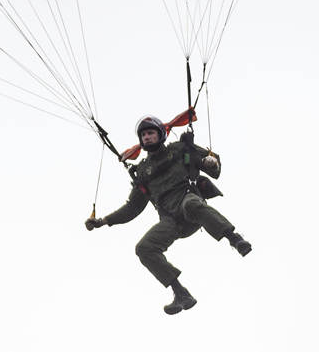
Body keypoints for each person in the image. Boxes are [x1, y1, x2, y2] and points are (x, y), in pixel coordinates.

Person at [85, 115, 252, 315]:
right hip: (171, 220)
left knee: (191, 204)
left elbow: (212, 165)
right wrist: (103, 221)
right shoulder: (143, 171)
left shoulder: (179, 149)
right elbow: (132, 208)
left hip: (189, 202)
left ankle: (234, 239)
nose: (147, 137)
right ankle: (181, 294)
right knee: (144, 248)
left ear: (160, 134)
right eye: (143, 135)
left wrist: (211, 163)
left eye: (150, 133)